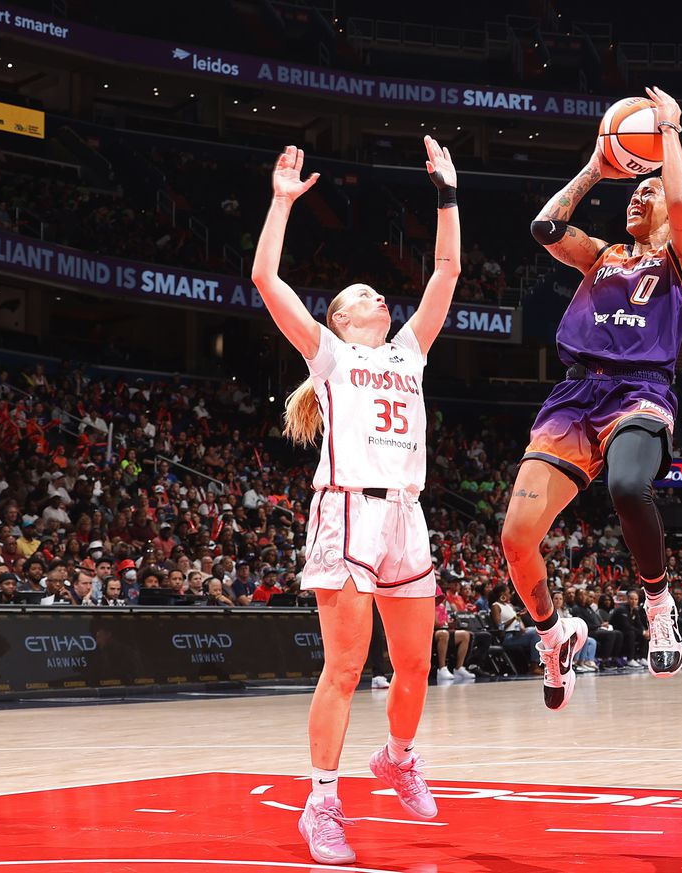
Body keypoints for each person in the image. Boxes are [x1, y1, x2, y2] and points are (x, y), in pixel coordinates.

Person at [253, 139, 459, 865]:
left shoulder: (409, 352)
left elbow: (446, 269)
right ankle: (321, 803)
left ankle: (398, 756)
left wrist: (447, 193)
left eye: (379, 293)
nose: (379, 296)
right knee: (345, 667)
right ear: (339, 320)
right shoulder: (332, 356)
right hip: (347, 510)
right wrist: (281, 202)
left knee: (413, 664)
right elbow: (264, 276)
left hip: (406, 512)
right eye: (361, 296)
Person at [500, 86, 682, 710]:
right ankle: (553, 633)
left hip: (639, 391)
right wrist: (596, 165)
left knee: (625, 487)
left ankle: (659, 604)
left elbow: (678, 199)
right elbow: (545, 227)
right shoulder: (601, 256)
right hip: (575, 395)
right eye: (634, 191)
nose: (640, 196)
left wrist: (669, 129)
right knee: (515, 539)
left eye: (648, 192)